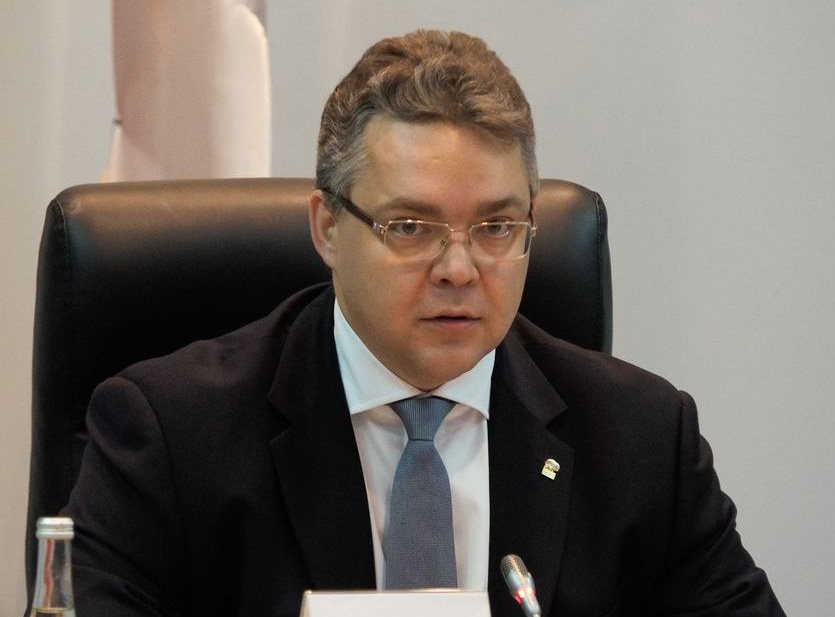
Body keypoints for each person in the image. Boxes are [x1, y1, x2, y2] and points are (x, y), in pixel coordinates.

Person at [61, 30, 785, 616]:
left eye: (497, 227)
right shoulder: (171, 434)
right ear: (327, 228)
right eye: (410, 227)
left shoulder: (642, 440)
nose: (460, 269)